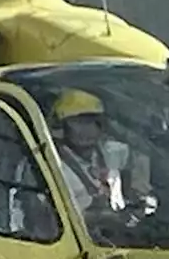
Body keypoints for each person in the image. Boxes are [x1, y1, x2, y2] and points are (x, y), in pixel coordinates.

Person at [50, 89, 155, 221]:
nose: (88, 129)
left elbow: (141, 181)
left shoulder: (117, 153)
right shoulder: (50, 165)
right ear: (61, 126)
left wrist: (139, 197)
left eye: (92, 121)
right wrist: (105, 217)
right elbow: (47, 218)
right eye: (78, 122)